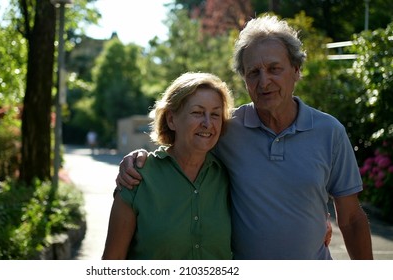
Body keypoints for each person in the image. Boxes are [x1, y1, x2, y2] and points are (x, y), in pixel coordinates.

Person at [115, 15, 373, 260]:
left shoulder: (330, 132)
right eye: (253, 72)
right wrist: (138, 158)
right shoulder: (226, 128)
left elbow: (351, 219)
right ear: (244, 79)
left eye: (274, 69)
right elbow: (183, 147)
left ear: (296, 70)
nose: (264, 82)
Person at [102, 72, 235, 259]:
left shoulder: (228, 176)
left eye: (215, 114)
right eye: (197, 113)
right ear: (171, 120)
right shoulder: (137, 177)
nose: (207, 123)